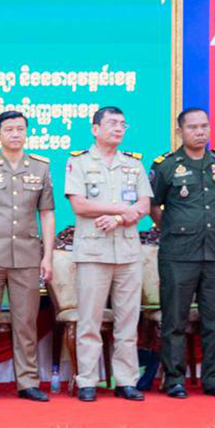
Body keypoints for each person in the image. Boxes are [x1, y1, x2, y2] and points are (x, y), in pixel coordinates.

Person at [0, 110, 54, 402]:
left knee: (26, 321)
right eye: (9, 129)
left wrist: (47, 257)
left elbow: (47, 214)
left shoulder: (40, 167)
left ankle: (28, 382)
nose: (15, 134)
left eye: (20, 129)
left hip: (27, 254)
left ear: (26, 132)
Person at [65, 107, 152, 402]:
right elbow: (80, 205)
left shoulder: (133, 164)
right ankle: (87, 380)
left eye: (122, 124)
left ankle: (126, 381)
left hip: (127, 253)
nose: (118, 128)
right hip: (93, 252)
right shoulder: (79, 162)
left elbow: (144, 205)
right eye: (112, 123)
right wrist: (121, 210)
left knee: (128, 322)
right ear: (95, 129)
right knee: (89, 321)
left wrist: (119, 219)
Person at [149, 108, 215, 398]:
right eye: (193, 127)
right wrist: (174, 228)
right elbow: (153, 206)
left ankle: (214, 380)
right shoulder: (166, 165)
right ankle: (174, 380)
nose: (200, 132)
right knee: (175, 320)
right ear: (180, 132)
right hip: (178, 254)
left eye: (204, 126)